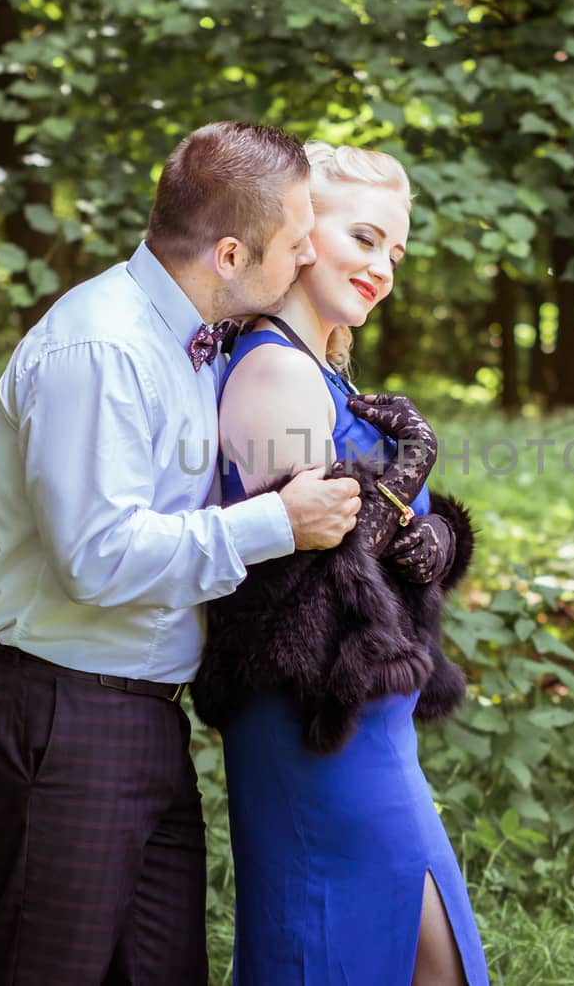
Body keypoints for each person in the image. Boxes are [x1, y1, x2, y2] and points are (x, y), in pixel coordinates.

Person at [0, 122, 363, 986]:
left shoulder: (196, 340)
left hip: (142, 715)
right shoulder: (102, 347)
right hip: (64, 708)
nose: (302, 263)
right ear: (227, 253)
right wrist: (277, 526)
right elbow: (96, 557)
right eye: (294, 246)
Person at [193, 142, 490, 985]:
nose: (383, 268)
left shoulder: (322, 373)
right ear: (299, 235)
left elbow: (368, 549)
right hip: (314, 729)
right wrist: (405, 477)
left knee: (431, 966)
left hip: (366, 725)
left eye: (395, 252)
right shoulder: (279, 374)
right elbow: (303, 582)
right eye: (365, 239)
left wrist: (440, 540)